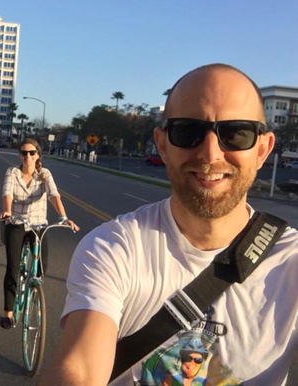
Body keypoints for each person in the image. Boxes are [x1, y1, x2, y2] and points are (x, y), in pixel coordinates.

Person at [39, 64, 298, 385]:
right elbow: (78, 369)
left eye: (235, 133)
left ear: (262, 149)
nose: (210, 152)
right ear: (162, 145)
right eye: (188, 131)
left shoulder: (291, 263)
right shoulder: (114, 249)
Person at [0, 138, 80, 329]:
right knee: (13, 268)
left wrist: (64, 217)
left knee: (42, 267)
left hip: (38, 225)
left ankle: (32, 288)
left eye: (32, 153)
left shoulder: (44, 174)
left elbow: (53, 195)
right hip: (16, 223)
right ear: (19, 155)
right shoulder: (13, 172)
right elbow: (6, 193)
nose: (28, 156)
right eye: (24, 153)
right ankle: (8, 314)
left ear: (38, 155)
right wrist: (8, 211)